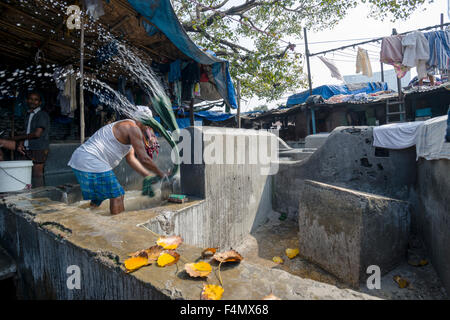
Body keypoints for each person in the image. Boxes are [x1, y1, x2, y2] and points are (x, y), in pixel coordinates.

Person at [68, 106, 166, 215]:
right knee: (118, 195)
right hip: (90, 159)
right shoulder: (133, 129)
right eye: (148, 123)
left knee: (98, 198)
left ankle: (86, 217)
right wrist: (161, 174)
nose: (148, 127)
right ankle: (118, 227)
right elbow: (144, 159)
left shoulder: (128, 127)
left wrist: (147, 175)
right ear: (142, 120)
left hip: (81, 159)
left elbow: (131, 159)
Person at [0, 91, 50, 188]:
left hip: (38, 148)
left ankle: (41, 197)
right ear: (27, 101)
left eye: (36, 100)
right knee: (26, 174)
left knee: (37, 175)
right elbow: (27, 131)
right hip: (27, 147)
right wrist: (21, 143)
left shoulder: (42, 115)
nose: (33, 101)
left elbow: (37, 134)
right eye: (31, 99)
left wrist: (15, 138)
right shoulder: (28, 114)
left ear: (40, 103)